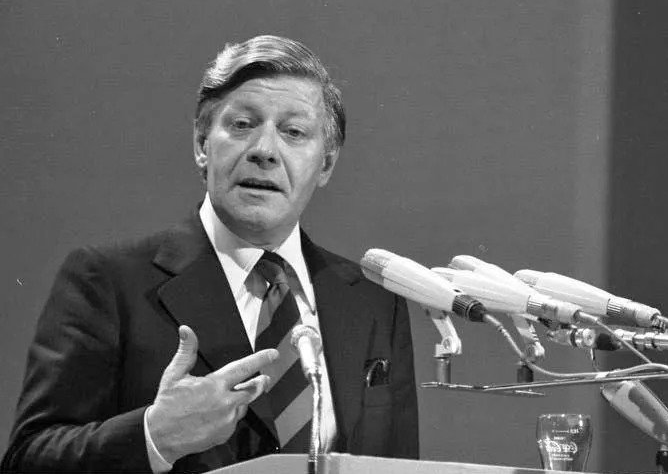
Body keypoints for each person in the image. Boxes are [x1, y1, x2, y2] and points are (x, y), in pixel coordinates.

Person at [2, 35, 418, 472]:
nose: (264, 151)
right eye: (242, 125)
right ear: (202, 144)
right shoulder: (107, 282)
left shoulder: (373, 302)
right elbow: (28, 459)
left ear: (326, 164)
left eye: (293, 132)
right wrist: (154, 436)